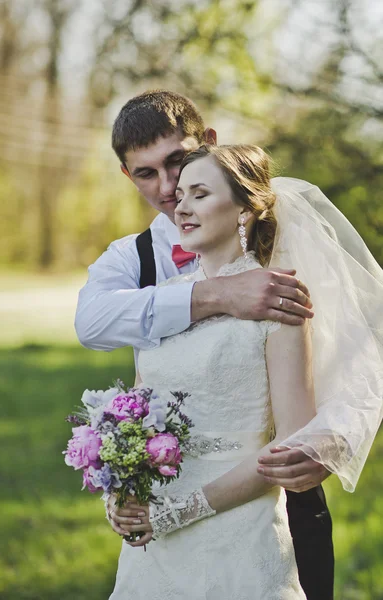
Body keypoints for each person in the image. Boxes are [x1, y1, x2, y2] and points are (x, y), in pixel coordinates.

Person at [75, 91, 333, 598]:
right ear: (128, 177)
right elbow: (94, 328)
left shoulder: (288, 261)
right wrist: (216, 294)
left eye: (178, 163)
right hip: (158, 542)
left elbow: (353, 360)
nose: (171, 190)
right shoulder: (136, 262)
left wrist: (331, 440)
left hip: (260, 510)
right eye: (147, 173)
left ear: (208, 145)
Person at [103, 144, 382, 599]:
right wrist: (119, 496)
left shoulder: (282, 302)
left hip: (235, 532)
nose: (181, 205)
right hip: (152, 545)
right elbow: (134, 413)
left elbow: (288, 443)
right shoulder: (167, 299)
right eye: (182, 193)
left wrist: (180, 512)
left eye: (199, 193)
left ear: (245, 211)